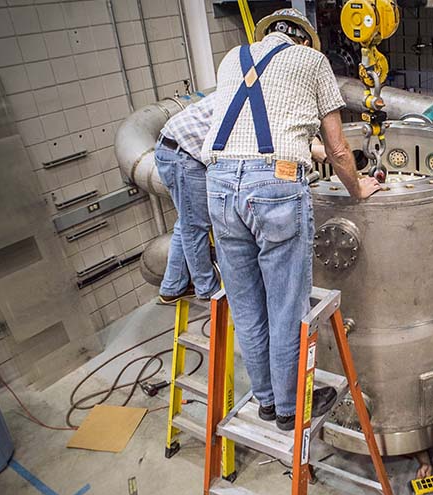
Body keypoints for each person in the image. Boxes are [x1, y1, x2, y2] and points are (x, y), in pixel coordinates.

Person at [201, 8, 380, 432]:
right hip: (275, 186)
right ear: (303, 41)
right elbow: (338, 150)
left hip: (219, 185)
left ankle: (265, 401)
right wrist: (358, 188)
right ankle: (287, 409)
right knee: (286, 306)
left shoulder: (232, 57)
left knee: (247, 305)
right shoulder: (312, 61)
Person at [153, 92, 223, 305]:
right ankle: (206, 289)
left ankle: (172, 287)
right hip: (181, 154)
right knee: (195, 226)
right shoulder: (254, 101)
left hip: (175, 148)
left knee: (187, 223)